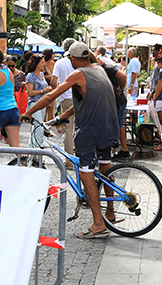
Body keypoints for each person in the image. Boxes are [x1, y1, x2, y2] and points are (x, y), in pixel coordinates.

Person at [21, 42, 118, 239]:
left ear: (73, 59)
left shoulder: (78, 73)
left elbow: (51, 97)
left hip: (90, 130)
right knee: (106, 168)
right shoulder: (98, 69)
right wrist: (60, 117)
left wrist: (28, 111)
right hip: (108, 126)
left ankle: (98, 224)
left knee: (85, 173)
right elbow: (83, 102)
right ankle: (110, 212)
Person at [53, 38, 77, 158]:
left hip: (66, 98)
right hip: (80, 97)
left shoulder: (59, 63)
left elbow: (53, 81)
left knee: (69, 129)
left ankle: (69, 159)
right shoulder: (79, 61)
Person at [24, 55, 50, 149]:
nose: (44, 64)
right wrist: (44, 91)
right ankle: (37, 153)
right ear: (36, 64)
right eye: (42, 62)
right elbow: (30, 92)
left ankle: (31, 152)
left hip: (42, 104)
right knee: (39, 129)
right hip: (34, 103)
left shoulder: (42, 74)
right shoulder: (31, 76)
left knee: (35, 129)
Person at [41, 49, 58, 122]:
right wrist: (47, 77)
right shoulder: (42, 64)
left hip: (53, 88)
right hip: (45, 88)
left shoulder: (53, 64)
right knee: (44, 108)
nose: (54, 55)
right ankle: (44, 127)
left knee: (51, 109)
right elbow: (40, 75)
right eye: (53, 54)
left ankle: (50, 127)